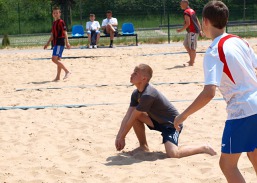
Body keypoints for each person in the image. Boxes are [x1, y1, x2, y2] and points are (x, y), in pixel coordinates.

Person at [174, 1, 257, 182]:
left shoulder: (214, 51)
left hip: (242, 111)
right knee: (254, 154)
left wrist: (183, 115)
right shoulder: (240, 41)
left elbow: (209, 93)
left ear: (205, 21)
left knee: (227, 165)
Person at [115, 64, 217, 158]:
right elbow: (128, 116)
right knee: (135, 116)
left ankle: (203, 147)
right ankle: (143, 146)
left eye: (135, 73)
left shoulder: (148, 94)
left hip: (172, 124)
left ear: (144, 78)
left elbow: (132, 117)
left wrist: (122, 137)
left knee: (173, 154)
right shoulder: (136, 93)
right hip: (157, 121)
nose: (131, 75)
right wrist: (119, 136)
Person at [44, 6, 71, 81]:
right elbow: (52, 35)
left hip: (60, 42)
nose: (55, 14)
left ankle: (67, 71)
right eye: (54, 13)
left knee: (54, 59)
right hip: (55, 43)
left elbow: (65, 32)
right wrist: (47, 43)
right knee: (58, 59)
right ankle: (58, 77)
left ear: (60, 14)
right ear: (52, 14)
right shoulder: (54, 23)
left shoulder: (61, 22)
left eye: (57, 13)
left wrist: (67, 42)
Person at [176, 0, 203, 66]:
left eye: (181, 3)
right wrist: (200, 30)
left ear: (186, 3)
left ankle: (192, 62)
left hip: (192, 31)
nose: (180, 5)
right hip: (191, 31)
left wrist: (181, 30)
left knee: (192, 48)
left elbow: (188, 23)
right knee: (186, 44)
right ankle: (191, 59)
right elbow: (197, 20)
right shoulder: (191, 10)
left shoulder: (186, 12)